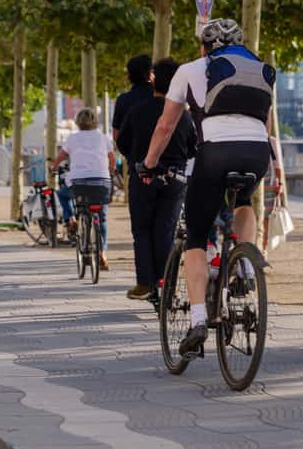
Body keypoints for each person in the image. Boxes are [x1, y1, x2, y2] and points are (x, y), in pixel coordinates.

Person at [141, 18, 275, 356]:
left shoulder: (190, 70)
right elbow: (266, 124)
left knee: (197, 237)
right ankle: (245, 263)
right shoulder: (258, 70)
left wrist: (150, 162)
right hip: (257, 153)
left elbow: (166, 124)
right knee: (244, 200)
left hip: (215, 153)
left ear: (204, 46)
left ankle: (198, 319)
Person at [118, 58, 197, 300]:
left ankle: (144, 283)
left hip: (142, 176)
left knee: (141, 229)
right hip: (175, 179)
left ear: (153, 79)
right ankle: (166, 285)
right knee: (166, 229)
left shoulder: (137, 110)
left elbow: (122, 143)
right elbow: (193, 147)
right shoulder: (183, 116)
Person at [52, 108, 115, 269]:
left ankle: (71, 218)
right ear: (95, 121)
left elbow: (60, 157)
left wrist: (53, 168)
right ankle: (103, 254)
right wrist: (111, 171)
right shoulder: (103, 137)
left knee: (63, 194)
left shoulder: (73, 138)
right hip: (101, 182)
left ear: (77, 122)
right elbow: (112, 159)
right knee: (102, 217)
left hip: (79, 183)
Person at [112, 54, 154, 145]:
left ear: (129, 75)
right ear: (150, 73)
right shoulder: (161, 97)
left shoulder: (122, 100)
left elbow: (116, 135)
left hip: (133, 155)